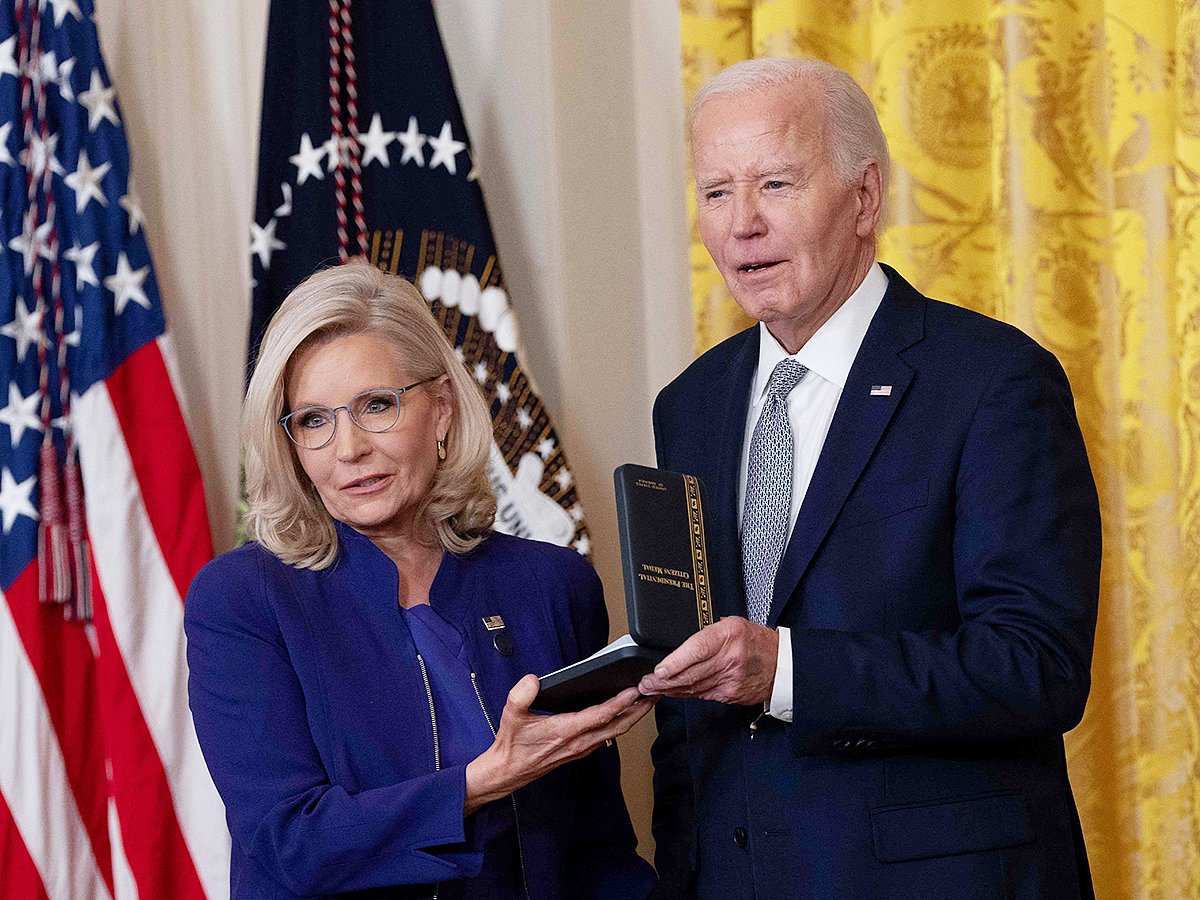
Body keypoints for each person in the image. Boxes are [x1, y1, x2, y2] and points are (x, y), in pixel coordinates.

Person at [638, 57, 1101, 899]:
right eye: (715, 192)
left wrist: (786, 671)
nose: (741, 224)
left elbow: (1035, 664)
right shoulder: (689, 405)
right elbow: (690, 698)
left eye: (775, 183)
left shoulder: (992, 381)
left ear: (864, 197)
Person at [184, 261, 657, 900]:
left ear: (439, 410)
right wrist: (482, 782)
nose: (348, 448)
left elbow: (597, 849)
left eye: (377, 406)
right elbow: (288, 843)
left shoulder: (553, 584)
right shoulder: (242, 599)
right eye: (314, 420)